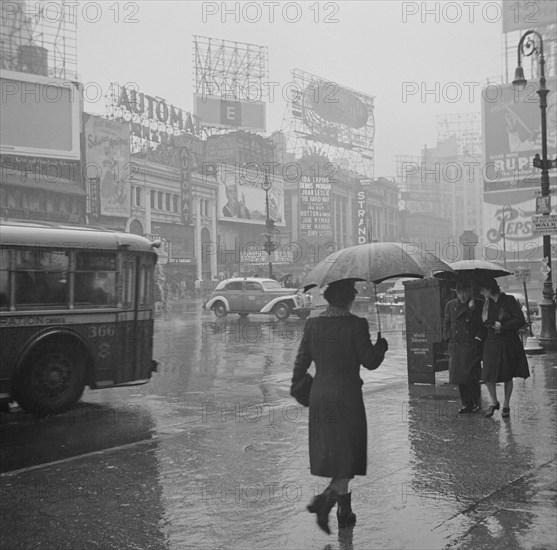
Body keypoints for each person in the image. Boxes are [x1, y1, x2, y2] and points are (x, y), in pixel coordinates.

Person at [291, 279, 388, 534]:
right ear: (349, 298)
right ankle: (325, 502)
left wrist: (308, 394)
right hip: (348, 400)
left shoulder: (313, 325)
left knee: (340, 459)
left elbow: (299, 367)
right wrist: (381, 347)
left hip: (321, 398)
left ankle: (345, 511)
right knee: (349, 457)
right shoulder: (357, 325)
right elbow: (370, 361)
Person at [479, 278, 530, 419]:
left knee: (507, 374)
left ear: (490, 289)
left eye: (483, 289)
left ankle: (506, 405)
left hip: (508, 342)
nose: (481, 292)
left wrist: (503, 325)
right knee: (488, 374)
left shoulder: (509, 300)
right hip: (491, 342)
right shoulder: (485, 303)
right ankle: (494, 402)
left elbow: (520, 320)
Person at [443, 280, 485, 414]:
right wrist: (449, 337)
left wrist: (477, 339)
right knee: (460, 378)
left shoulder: (476, 305)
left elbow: (482, 325)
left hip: (470, 346)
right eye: (459, 293)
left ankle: (476, 402)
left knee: (472, 377)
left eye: (464, 292)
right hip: (456, 346)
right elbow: (446, 323)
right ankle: (467, 403)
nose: (462, 296)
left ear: (469, 292)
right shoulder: (450, 305)